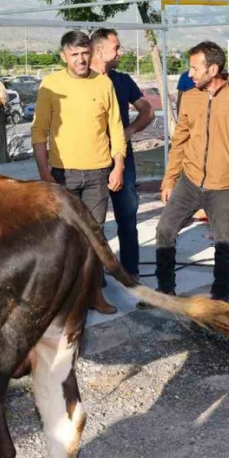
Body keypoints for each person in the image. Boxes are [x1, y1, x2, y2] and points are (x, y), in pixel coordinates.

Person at [157, 41, 229, 301]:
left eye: (195, 68)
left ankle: (220, 298)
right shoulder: (190, 96)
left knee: (224, 243)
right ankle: (165, 290)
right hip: (189, 181)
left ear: (213, 68)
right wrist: (169, 178)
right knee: (164, 230)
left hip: (224, 187)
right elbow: (180, 140)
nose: (190, 73)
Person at [32, 30, 126, 313]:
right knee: (65, 236)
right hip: (63, 174)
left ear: (92, 53)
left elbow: (116, 128)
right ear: (64, 56)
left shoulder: (103, 84)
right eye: (74, 55)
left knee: (94, 235)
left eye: (85, 53)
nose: (81, 59)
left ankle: (94, 294)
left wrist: (118, 165)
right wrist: (44, 173)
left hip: (99, 172)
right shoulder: (51, 85)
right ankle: (66, 298)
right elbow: (39, 132)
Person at [90, 28, 155, 277]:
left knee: (127, 218)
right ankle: (94, 277)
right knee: (93, 223)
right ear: (99, 50)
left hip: (122, 161)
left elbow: (147, 111)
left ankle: (130, 272)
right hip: (90, 163)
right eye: (116, 47)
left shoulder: (122, 81)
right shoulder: (82, 82)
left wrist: (128, 132)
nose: (120, 51)